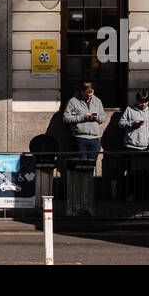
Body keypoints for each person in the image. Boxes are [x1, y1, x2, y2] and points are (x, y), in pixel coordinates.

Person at [62, 80, 105, 217]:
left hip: (94, 139)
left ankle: (88, 203)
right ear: (81, 92)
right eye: (87, 96)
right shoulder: (73, 101)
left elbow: (103, 117)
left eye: (91, 95)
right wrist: (82, 117)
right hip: (80, 138)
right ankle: (78, 203)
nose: (89, 98)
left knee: (90, 172)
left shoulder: (97, 101)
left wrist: (98, 118)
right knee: (80, 172)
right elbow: (65, 118)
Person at [118, 89, 149, 201]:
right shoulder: (129, 110)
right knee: (130, 174)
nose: (143, 104)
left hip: (144, 148)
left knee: (142, 174)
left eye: (145, 102)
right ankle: (130, 195)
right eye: (141, 102)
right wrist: (133, 124)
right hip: (130, 146)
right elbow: (121, 124)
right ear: (137, 100)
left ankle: (141, 196)